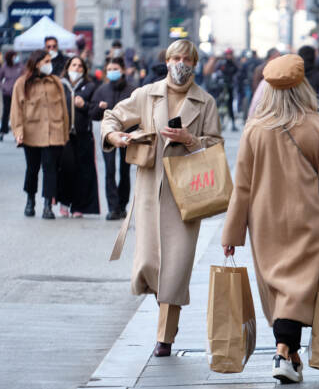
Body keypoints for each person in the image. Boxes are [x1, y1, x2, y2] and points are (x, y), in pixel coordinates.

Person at [221, 54, 319, 384]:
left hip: (264, 221)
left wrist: (232, 234)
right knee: (297, 289)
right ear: (303, 87)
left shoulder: (255, 130)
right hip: (309, 219)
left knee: (281, 289)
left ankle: (288, 354)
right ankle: (284, 351)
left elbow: (242, 188)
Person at [101, 39, 222, 357]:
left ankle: (164, 337)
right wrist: (117, 136)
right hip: (150, 194)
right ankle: (163, 315)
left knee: (176, 269)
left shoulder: (205, 102)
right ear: (167, 61)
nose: (181, 63)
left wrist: (190, 139)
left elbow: (216, 145)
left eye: (187, 59)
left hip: (187, 195)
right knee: (150, 264)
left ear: (195, 64)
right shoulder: (146, 95)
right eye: (176, 57)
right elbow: (112, 118)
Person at [10, 49, 69, 219]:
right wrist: (18, 132)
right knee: (32, 169)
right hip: (31, 133)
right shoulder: (22, 83)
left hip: (54, 133)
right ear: (37, 64)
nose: (49, 64)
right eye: (46, 61)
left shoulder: (56, 82)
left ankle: (47, 205)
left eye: (50, 61)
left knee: (50, 169)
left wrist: (64, 133)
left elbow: (64, 110)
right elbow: (16, 110)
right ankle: (30, 200)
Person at [89, 57, 137, 220]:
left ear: (122, 70)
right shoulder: (102, 90)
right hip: (109, 135)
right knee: (109, 170)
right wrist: (99, 108)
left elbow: (139, 112)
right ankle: (112, 207)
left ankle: (122, 205)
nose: (112, 72)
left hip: (127, 135)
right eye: (109, 69)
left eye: (115, 68)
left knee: (125, 171)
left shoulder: (132, 90)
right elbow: (93, 113)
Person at [57, 56, 100, 218]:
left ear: (84, 69)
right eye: (73, 65)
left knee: (84, 171)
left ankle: (79, 206)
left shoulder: (90, 86)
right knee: (65, 169)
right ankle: (63, 203)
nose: (76, 68)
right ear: (68, 67)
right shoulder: (60, 85)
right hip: (64, 135)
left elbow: (95, 110)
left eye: (80, 66)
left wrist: (84, 105)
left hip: (83, 135)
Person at [0, 50, 24, 141]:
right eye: (14, 56)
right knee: (6, 112)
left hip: (18, 93)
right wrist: (3, 87)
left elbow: (25, 77)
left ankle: (18, 133)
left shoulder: (20, 66)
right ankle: (2, 131)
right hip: (7, 93)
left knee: (18, 113)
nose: (16, 58)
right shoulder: (4, 67)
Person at [215, 48, 239, 131]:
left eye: (230, 54)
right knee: (219, 104)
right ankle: (219, 123)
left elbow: (237, 73)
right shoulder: (221, 63)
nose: (229, 56)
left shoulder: (233, 64)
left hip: (230, 87)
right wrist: (220, 79)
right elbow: (216, 73)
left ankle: (232, 124)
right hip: (221, 87)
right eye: (228, 54)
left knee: (230, 105)